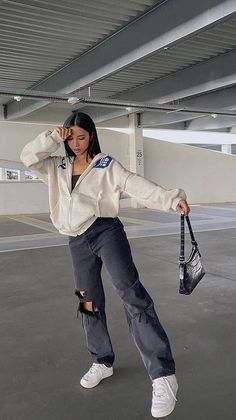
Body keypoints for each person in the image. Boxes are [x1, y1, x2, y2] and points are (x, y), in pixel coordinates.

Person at [20, 111, 190, 418]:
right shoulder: (56, 165)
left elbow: (134, 183)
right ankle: (102, 360)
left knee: (131, 295)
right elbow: (27, 156)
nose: (76, 144)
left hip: (106, 231)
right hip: (76, 240)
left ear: (92, 135)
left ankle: (163, 375)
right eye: (70, 137)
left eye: (81, 137)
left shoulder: (105, 164)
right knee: (88, 301)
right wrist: (52, 137)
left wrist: (169, 199)